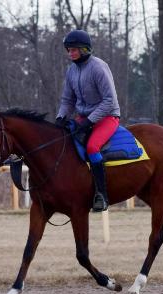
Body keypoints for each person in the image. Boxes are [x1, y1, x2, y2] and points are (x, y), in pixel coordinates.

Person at [55, 29, 121, 212]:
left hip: (108, 116)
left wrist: (90, 120)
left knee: (92, 147)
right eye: (68, 50)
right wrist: (60, 117)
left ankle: (102, 195)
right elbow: (67, 100)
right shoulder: (71, 71)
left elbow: (110, 101)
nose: (70, 53)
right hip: (84, 117)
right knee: (65, 143)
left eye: (73, 49)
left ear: (84, 49)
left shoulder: (98, 67)